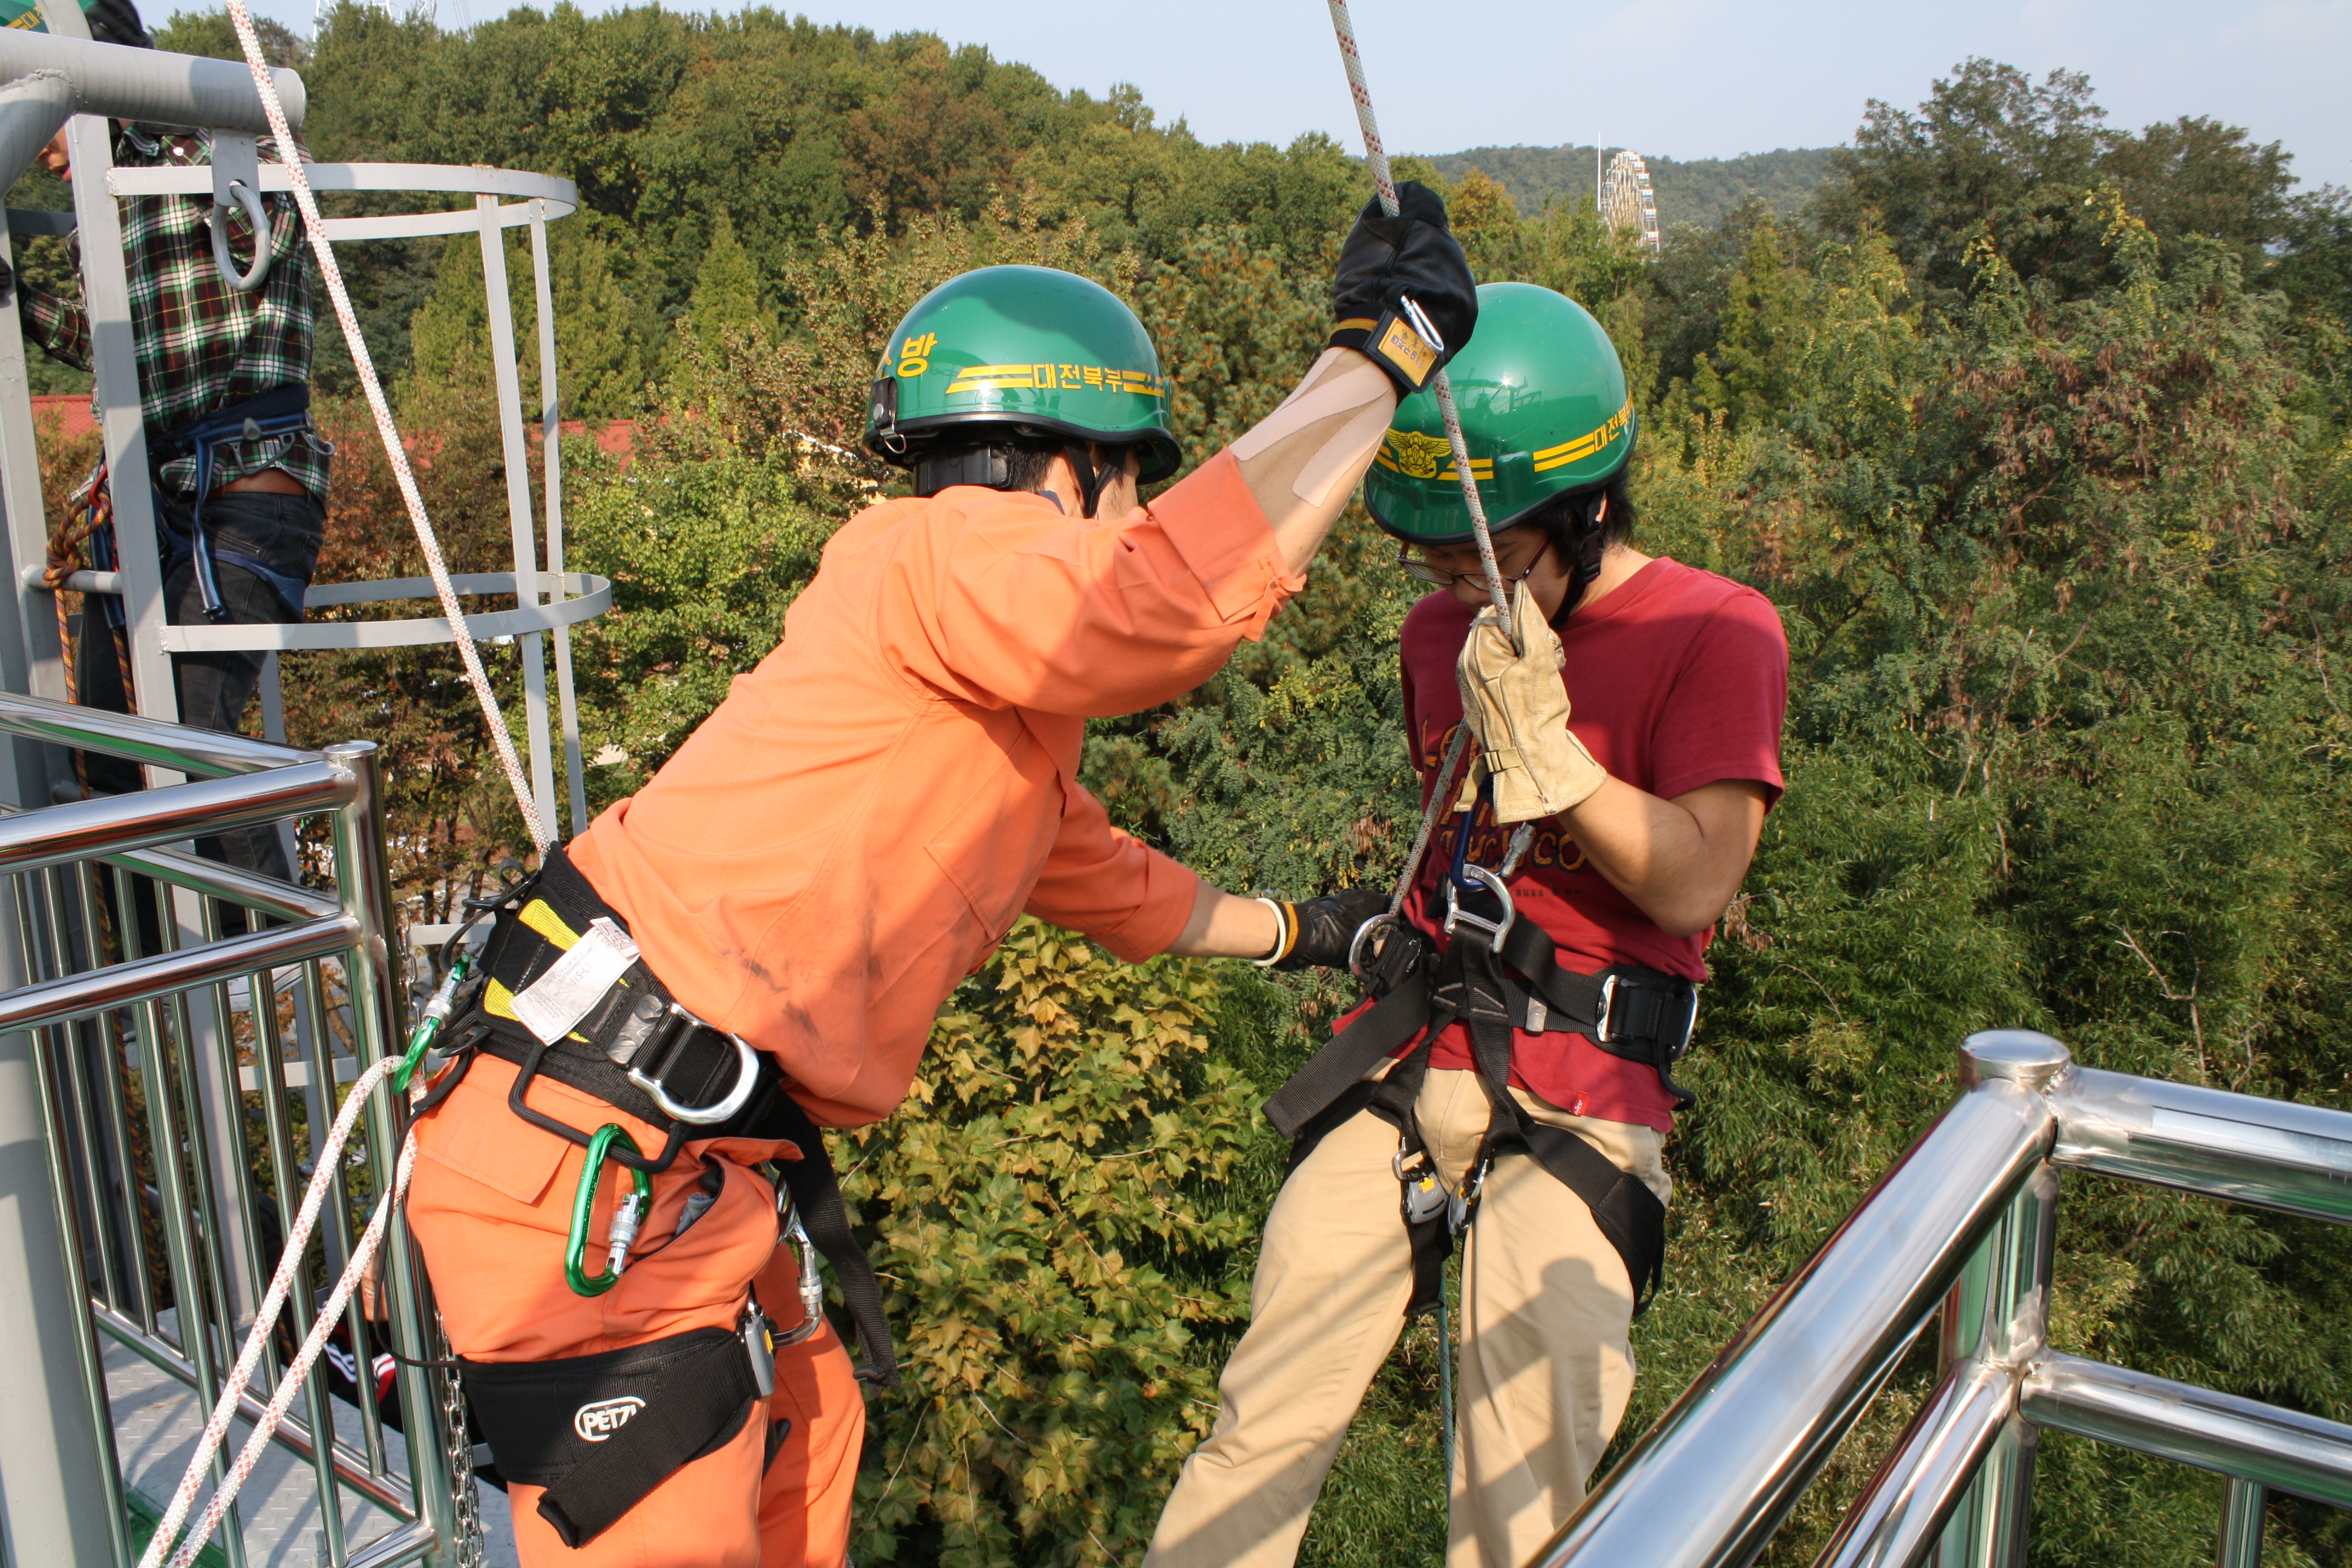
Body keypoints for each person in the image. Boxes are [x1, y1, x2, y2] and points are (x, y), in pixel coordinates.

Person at [403, 188, 1481, 1567]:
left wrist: (1314, 935)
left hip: (656, 1155)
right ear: (1061, 464)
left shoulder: (986, 709)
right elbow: (1162, 604)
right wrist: (1373, 364)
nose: (1139, 511)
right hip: (592, 1164)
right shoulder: (933, 551)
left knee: (808, 1454)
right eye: (1134, 477)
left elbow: (1107, 879)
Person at [1143, 282, 1791, 1568]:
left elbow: (1698, 884)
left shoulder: (1713, 629)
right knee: (1258, 1425)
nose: (1451, 582)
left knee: (1518, 1506)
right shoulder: (1438, 630)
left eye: (1481, 556)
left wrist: (1555, 758)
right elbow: (1457, 845)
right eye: (1433, 559)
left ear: (1590, 509)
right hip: (1418, 1047)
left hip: (1584, 1091)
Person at [8, 0, 330, 880]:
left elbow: (270, 217)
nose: (36, 144)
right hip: (155, 499)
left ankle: (261, 958)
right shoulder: (104, 206)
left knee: (193, 743)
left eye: (38, 109)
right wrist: (18, 297)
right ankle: (170, 972)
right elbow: (109, 342)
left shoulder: (211, 158)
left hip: (246, 488)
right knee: (111, 758)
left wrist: (123, 86)